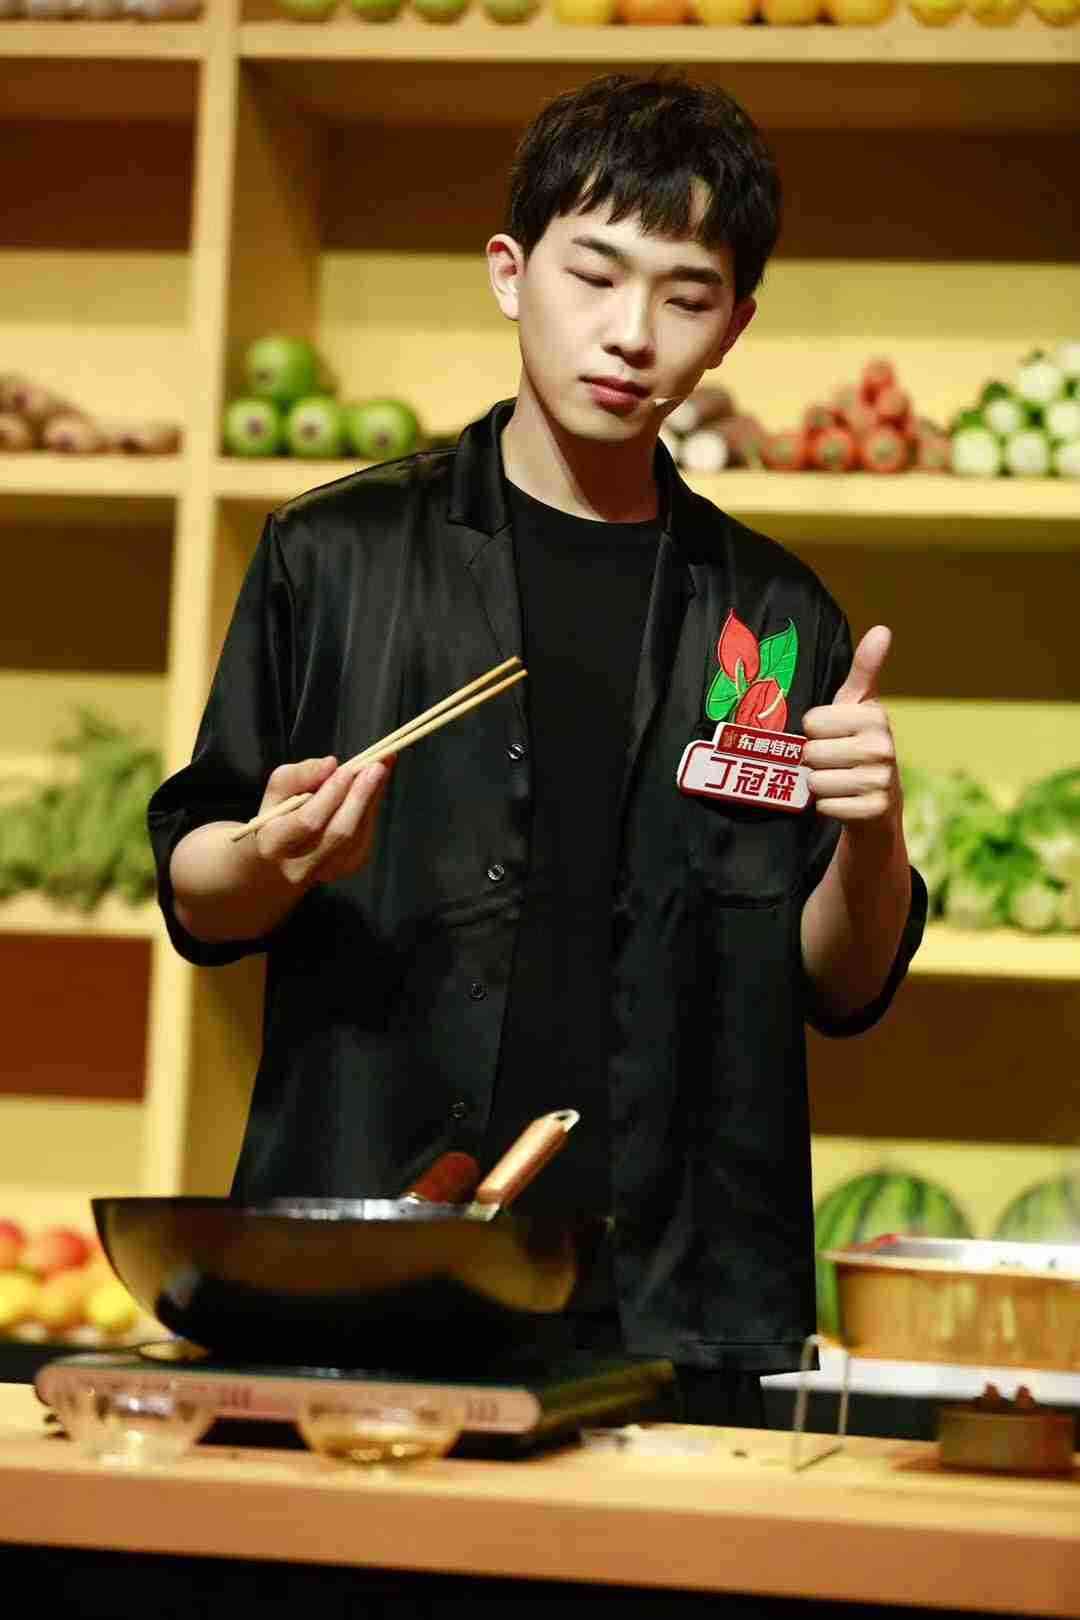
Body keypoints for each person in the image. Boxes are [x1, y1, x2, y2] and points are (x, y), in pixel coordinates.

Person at [148, 73, 927, 1427]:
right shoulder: (333, 557)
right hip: (375, 1267)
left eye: (686, 296)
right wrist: (270, 858)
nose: (630, 333)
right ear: (511, 273)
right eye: (594, 275)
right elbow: (196, 889)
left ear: (733, 327)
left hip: (678, 1305)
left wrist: (873, 832)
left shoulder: (776, 614)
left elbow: (840, 985)